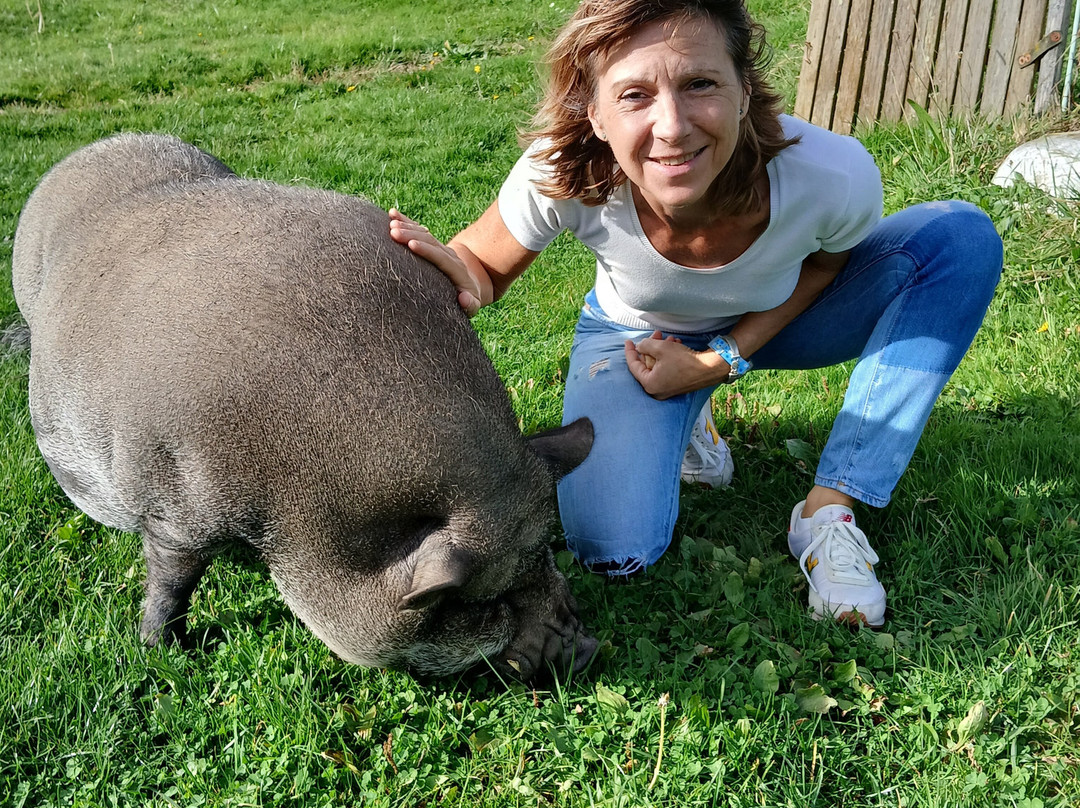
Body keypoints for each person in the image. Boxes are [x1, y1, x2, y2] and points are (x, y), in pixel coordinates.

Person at [389, 0, 1002, 627]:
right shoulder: (563, 170)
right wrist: (461, 275)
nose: (673, 126)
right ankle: (686, 422)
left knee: (960, 237)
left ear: (744, 91)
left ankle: (831, 507)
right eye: (634, 95)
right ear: (594, 113)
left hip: (778, 321)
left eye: (699, 84)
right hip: (638, 342)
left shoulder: (831, 175)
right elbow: (482, 266)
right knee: (614, 552)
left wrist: (721, 359)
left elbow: (824, 269)